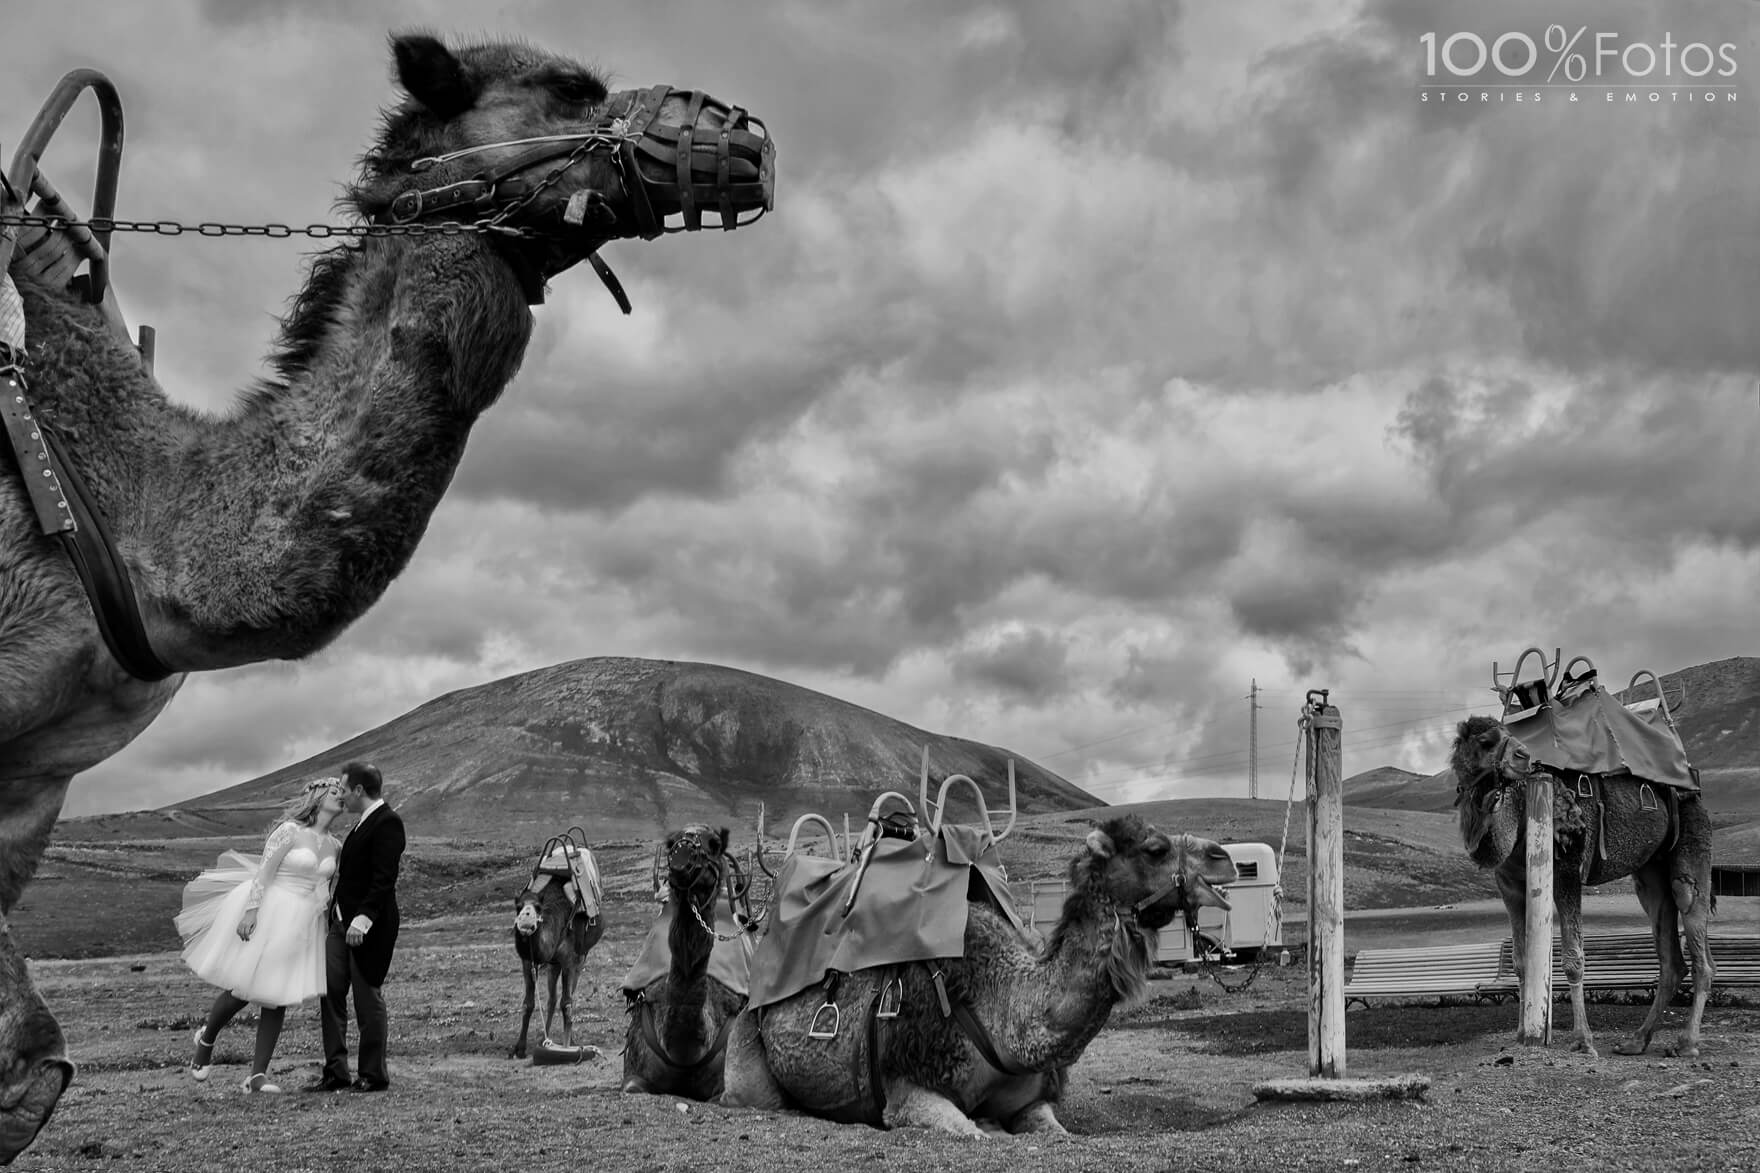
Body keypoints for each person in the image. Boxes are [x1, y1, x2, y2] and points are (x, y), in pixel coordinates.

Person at [177, 777, 345, 1093]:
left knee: (277, 995)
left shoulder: (335, 845)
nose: (342, 798)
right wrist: (252, 912)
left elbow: (325, 887)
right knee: (245, 986)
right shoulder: (289, 832)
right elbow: (263, 874)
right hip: (272, 911)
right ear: (319, 797)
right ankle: (206, 1039)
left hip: (305, 921)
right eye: (336, 793)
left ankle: (257, 1076)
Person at [309, 761, 407, 1093]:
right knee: (331, 993)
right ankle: (336, 1072)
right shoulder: (359, 825)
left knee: (367, 998)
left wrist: (361, 921)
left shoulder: (388, 823)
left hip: (368, 928)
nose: (341, 794)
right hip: (339, 925)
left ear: (359, 791)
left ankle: (373, 1074)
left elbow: (384, 880)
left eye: (344, 788)